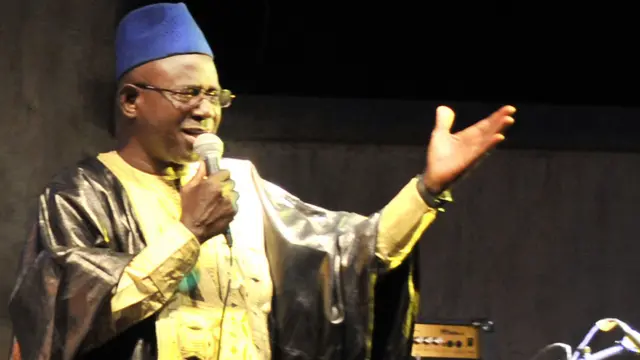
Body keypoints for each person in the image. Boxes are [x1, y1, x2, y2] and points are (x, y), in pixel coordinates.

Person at [7, 3, 515, 360]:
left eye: (215, 96)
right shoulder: (82, 194)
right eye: (187, 94)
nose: (205, 111)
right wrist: (188, 234)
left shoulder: (243, 187)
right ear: (131, 101)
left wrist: (426, 189)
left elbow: (349, 259)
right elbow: (66, 318)